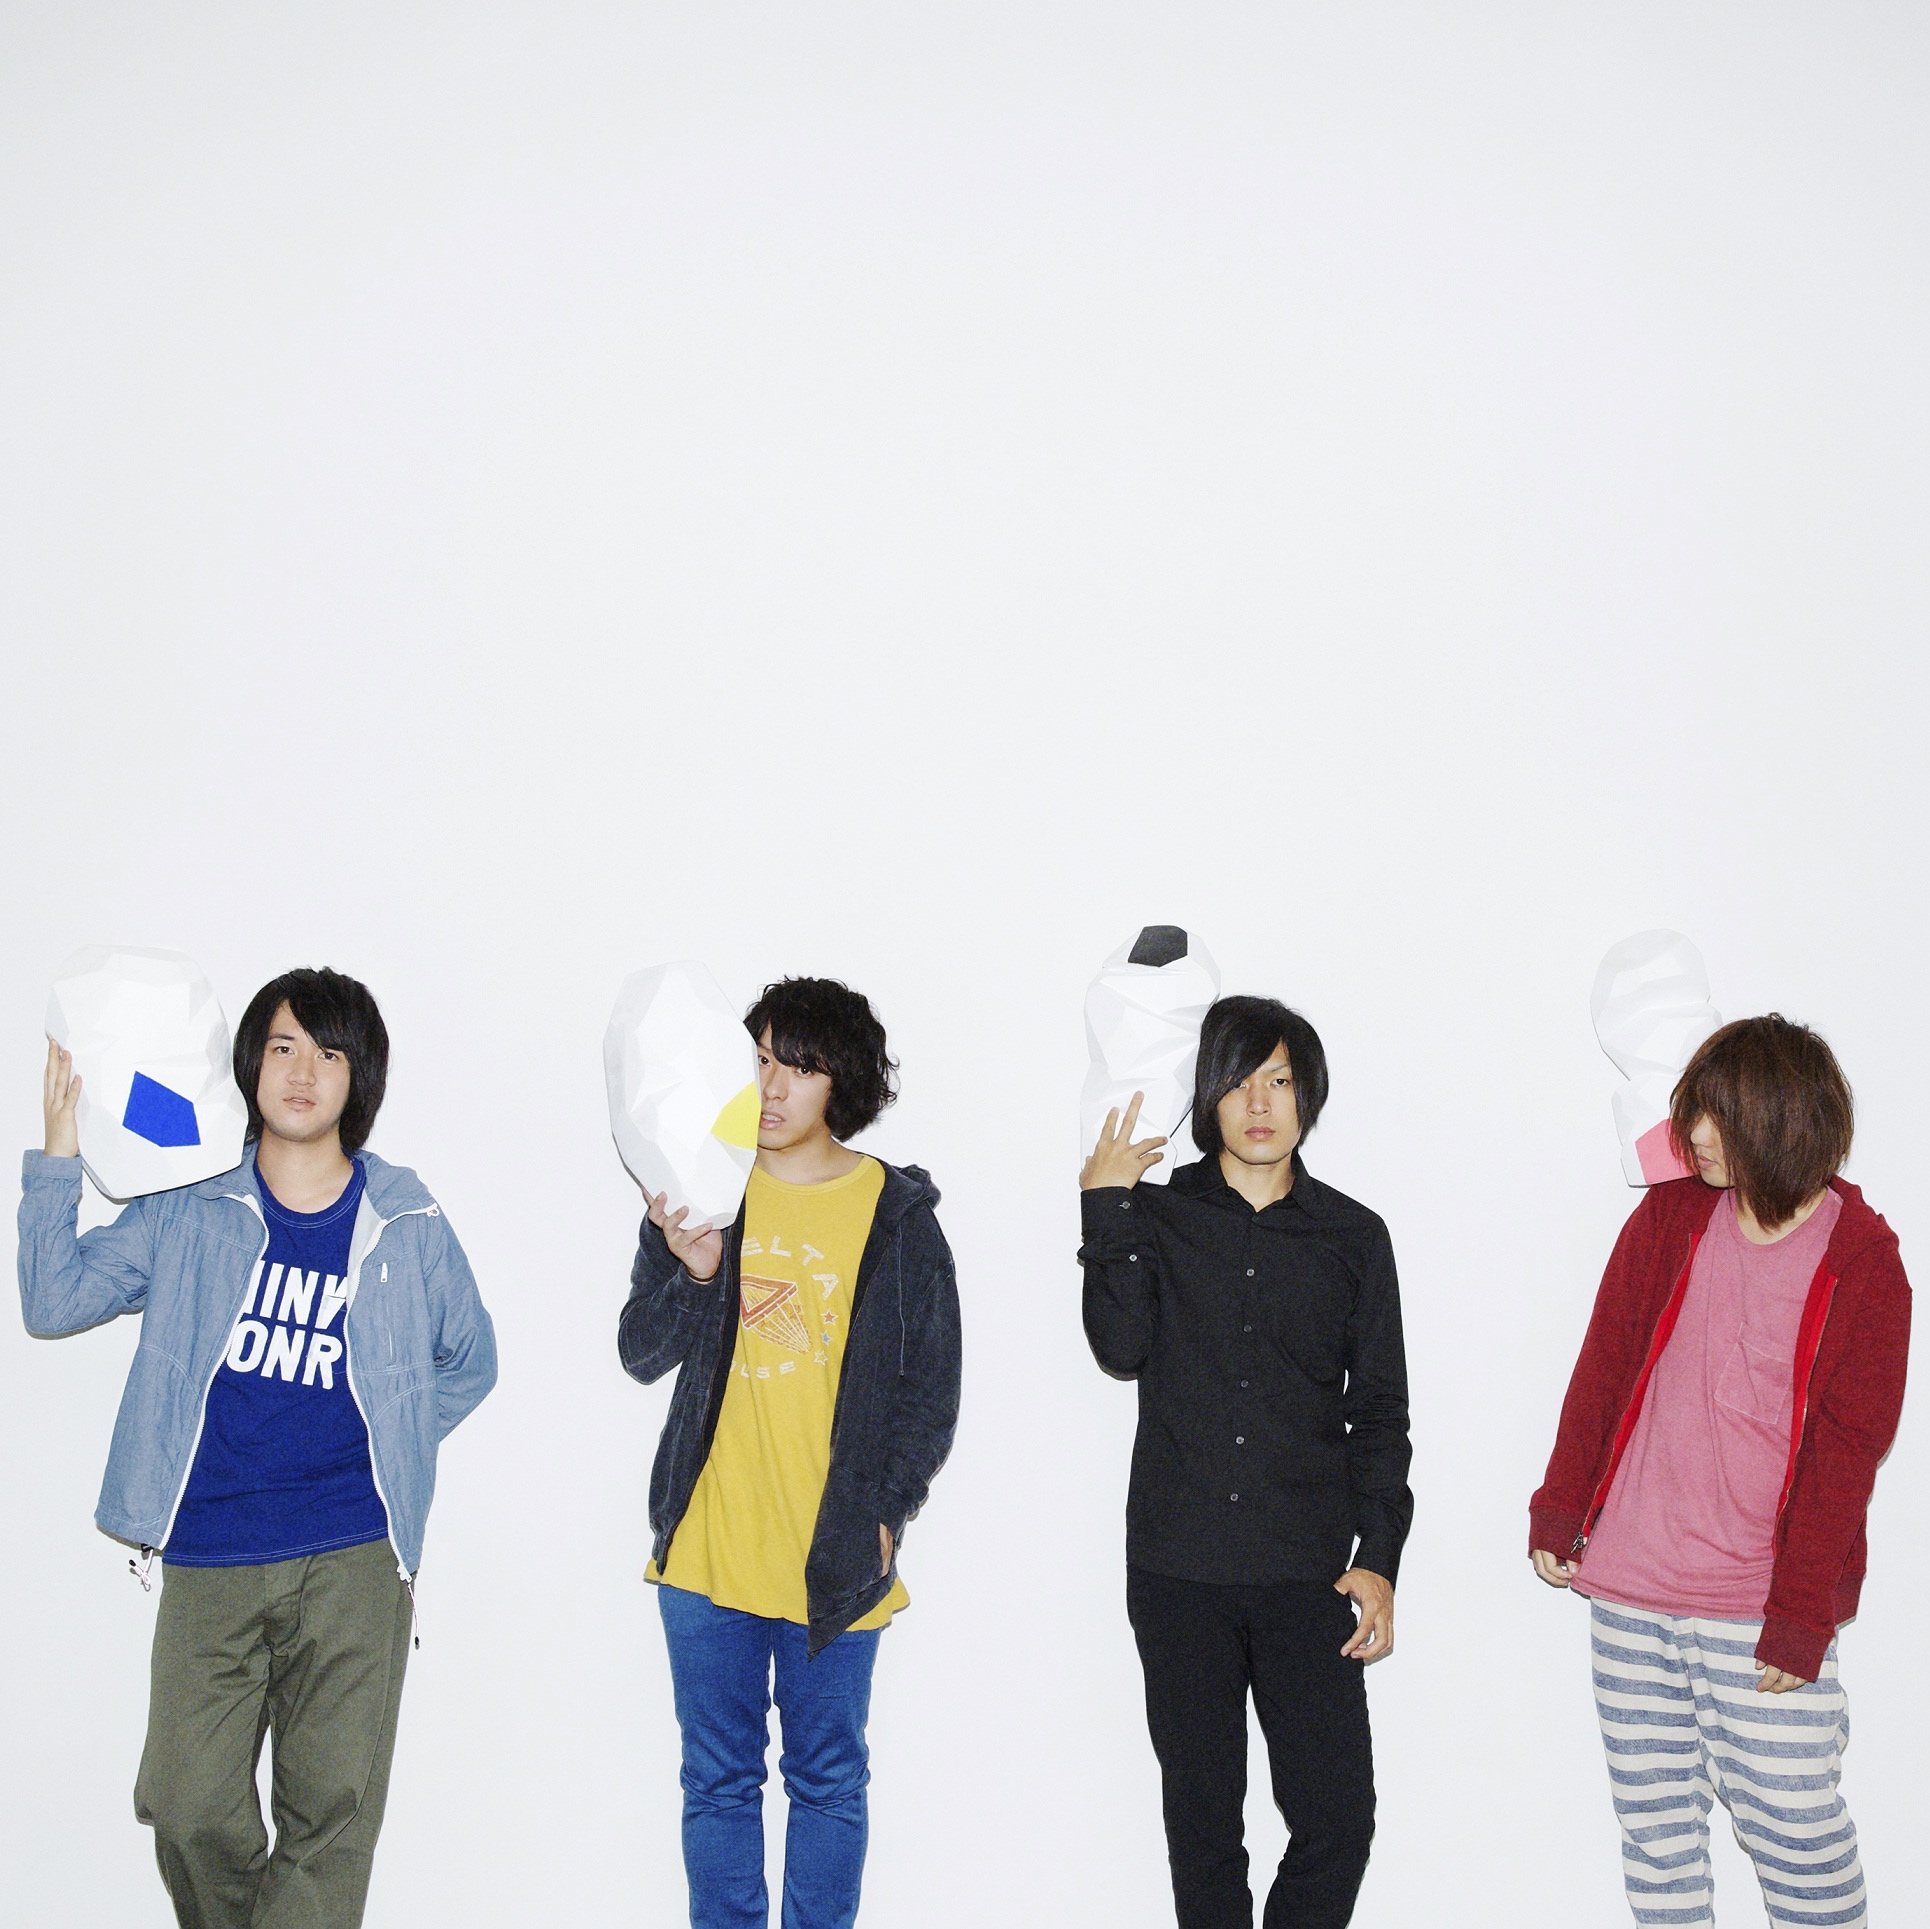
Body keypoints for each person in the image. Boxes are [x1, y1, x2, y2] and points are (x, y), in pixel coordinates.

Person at [18, 967, 497, 1929]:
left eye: (329, 1054)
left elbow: (470, 1360)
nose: (303, 1073)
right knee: (186, 1802)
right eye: (283, 1047)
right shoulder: (189, 1203)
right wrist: (58, 1156)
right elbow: (53, 1298)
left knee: (331, 1821)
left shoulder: (405, 1218)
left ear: (359, 1078)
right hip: (212, 1550)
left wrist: (385, 1442)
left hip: (354, 1557)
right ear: (250, 1064)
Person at [1530, 1014, 1910, 1928]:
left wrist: (1801, 1616)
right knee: (1657, 1842)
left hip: (1757, 1609)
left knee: (1799, 1836)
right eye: (1695, 1108)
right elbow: (1604, 1363)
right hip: (1631, 1590)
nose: (1694, 1132)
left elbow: (1845, 1455)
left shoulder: (1861, 1261)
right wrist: (1561, 1504)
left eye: (1718, 1115)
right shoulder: (1670, 1218)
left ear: (1782, 1121)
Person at [618, 976, 961, 1929]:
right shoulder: (704, 1187)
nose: (770, 1086)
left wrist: (888, 1512)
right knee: (717, 1780)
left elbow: (932, 1390)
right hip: (708, 1551)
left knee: (828, 1779)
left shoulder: (897, 1214)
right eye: (760, 1060)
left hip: (836, 1559)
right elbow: (639, 1349)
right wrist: (695, 1273)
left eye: (797, 1066)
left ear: (840, 1079)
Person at [1080, 993, 1412, 1929]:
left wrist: (1380, 1557)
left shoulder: (1354, 1236)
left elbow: (1380, 1413)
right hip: (1179, 1566)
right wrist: (1105, 1206)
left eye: (1281, 1080)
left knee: (1337, 1819)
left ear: (1309, 1096)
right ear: (1207, 1096)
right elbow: (1119, 1348)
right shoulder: (1158, 1214)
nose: (1260, 1102)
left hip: (1308, 1569)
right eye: (1238, 1081)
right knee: (1204, 1830)